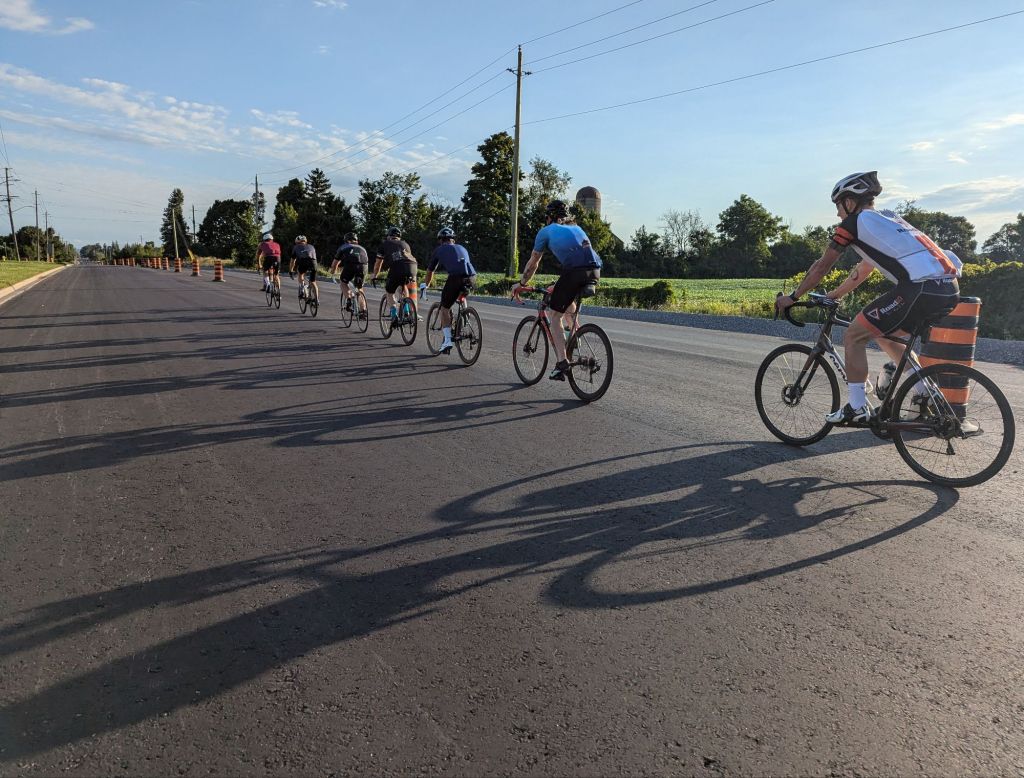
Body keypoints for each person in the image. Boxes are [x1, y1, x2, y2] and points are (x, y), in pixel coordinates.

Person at [776, 171, 961, 425]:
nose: (838, 214)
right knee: (883, 333)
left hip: (919, 288)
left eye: (838, 206)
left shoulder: (852, 225)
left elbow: (821, 266)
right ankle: (925, 393)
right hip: (948, 289)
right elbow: (865, 267)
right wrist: (835, 294)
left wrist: (793, 296)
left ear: (849, 202)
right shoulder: (887, 219)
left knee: (854, 335)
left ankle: (857, 406)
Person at [512, 200, 602, 380]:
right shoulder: (576, 227)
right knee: (562, 296)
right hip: (594, 271)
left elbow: (533, 263)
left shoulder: (546, 231)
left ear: (549, 217)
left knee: (554, 315)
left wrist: (521, 283)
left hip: (574, 271)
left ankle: (562, 364)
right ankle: (574, 336)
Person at [423, 227, 477, 353]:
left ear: (441, 240)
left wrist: (426, 285)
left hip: (455, 278)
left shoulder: (439, 250)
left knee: (445, 308)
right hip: (472, 277)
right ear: (453, 239)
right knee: (461, 293)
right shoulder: (462, 247)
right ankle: (465, 316)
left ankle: (447, 341)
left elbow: (430, 270)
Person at [371, 226, 418, 321]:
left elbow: (378, 264)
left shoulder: (385, 244)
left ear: (388, 236)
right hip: (413, 268)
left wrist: (375, 275)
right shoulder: (405, 244)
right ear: (399, 237)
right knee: (403, 285)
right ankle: (406, 309)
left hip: (397, 268)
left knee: (389, 292)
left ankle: (394, 315)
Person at [329, 232, 369, 318]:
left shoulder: (343, 247)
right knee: (359, 288)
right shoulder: (362, 248)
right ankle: (363, 311)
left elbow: (335, 263)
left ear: (346, 240)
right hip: (363, 267)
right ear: (356, 240)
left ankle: (349, 299)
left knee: (343, 283)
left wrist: (333, 272)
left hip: (350, 266)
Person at [288, 235, 319, 300]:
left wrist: (291, 270)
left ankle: (302, 287)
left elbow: (292, 261)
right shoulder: (311, 246)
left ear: (297, 242)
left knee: (300, 274)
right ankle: (316, 300)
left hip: (303, 262)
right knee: (313, 281)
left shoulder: (296, 247)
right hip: (313, 262)